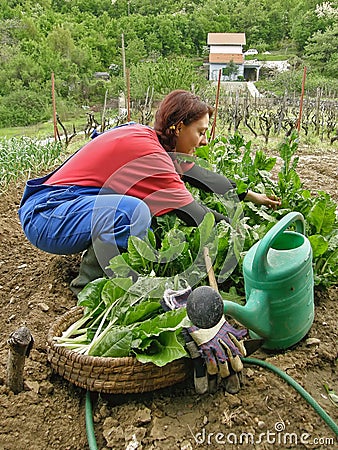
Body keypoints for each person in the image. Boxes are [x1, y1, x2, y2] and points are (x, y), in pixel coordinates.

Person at [18, 89, 280, 393]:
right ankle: (87, 289)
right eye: (201, 132)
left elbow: (201, 176)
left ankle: (105, 273)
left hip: (64, 208)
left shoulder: (151, 140)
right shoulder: (152, 155)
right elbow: (196, 214)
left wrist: (249, 195)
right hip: (47, 215)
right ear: (178, 127)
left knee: (137, 213)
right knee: (132, 212)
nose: (205, 140)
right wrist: (249, 243)